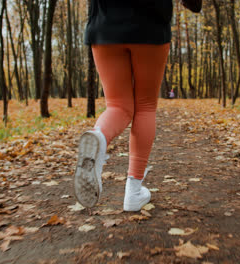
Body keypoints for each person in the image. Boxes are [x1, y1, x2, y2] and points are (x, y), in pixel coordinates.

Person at [74, 0, 173, 211]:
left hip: (105, 25)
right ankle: (133, 193)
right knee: (145, 107)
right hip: (151, 26)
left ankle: (99, 137)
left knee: (117, 106)